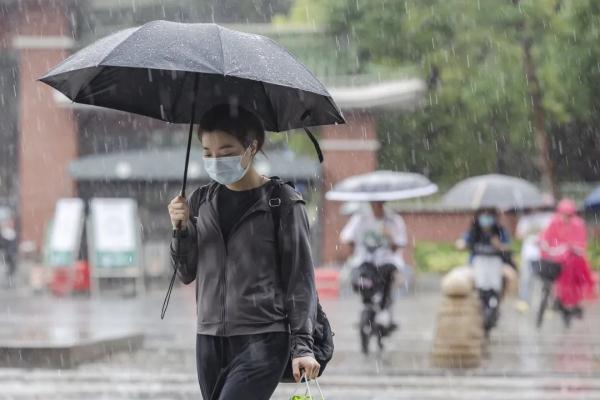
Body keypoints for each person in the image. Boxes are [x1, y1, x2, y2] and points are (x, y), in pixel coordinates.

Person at [167, 105, 320, 400]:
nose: (215, 160)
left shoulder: (283, 203)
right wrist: (181, 228)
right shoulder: (200, 200)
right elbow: (186, 272)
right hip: (209, 339)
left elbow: (300, 280)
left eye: (225, 152)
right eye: (207, 153)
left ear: (252, 147)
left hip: (262, 338)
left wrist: (303, 345)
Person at [339, 201, 407, 328]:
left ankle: (384, 310)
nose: (376, 206)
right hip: (365, 261)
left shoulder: (394, 221)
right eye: (374, 203)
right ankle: (367, 305)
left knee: (388, 278)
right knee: (360, 279)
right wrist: (351, 244)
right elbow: (346, 237)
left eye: (379, 203)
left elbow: (398, 245)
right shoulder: (360, 219)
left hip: (387, 262)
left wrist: (390, 236)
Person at [540, 199, 595, 327]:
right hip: (556, 259)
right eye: (563, 214)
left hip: (574, 260)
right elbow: (546, 238)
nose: (566, 218)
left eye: (568, 215)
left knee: (573, 280)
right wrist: (545, 245)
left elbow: (580, 244)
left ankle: (572, 305)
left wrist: (572, 248)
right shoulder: (554, 222)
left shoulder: (578, 224)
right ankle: (558, 301)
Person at [458, 208, 511, 333]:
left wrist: (499, 245)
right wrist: (462, 244)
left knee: (498, 286)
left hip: (495, 265)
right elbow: (462, 243)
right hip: (478, 264)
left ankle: (494, 309)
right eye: (483, 215)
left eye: (489, 215)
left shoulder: (500, 231)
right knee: (479, 289)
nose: (486, 219)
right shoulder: (474, 231)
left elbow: (507, 247)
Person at [515, 207, 553, 312]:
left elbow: (552, 234)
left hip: (543, 255)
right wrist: (529, 230)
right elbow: (518, 236)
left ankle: (546, 303)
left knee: (544, 280)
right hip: (528, 255)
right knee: (526, 279)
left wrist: (541, 232)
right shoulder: (525, 219)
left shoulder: (547, 218)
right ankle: (525, 301)